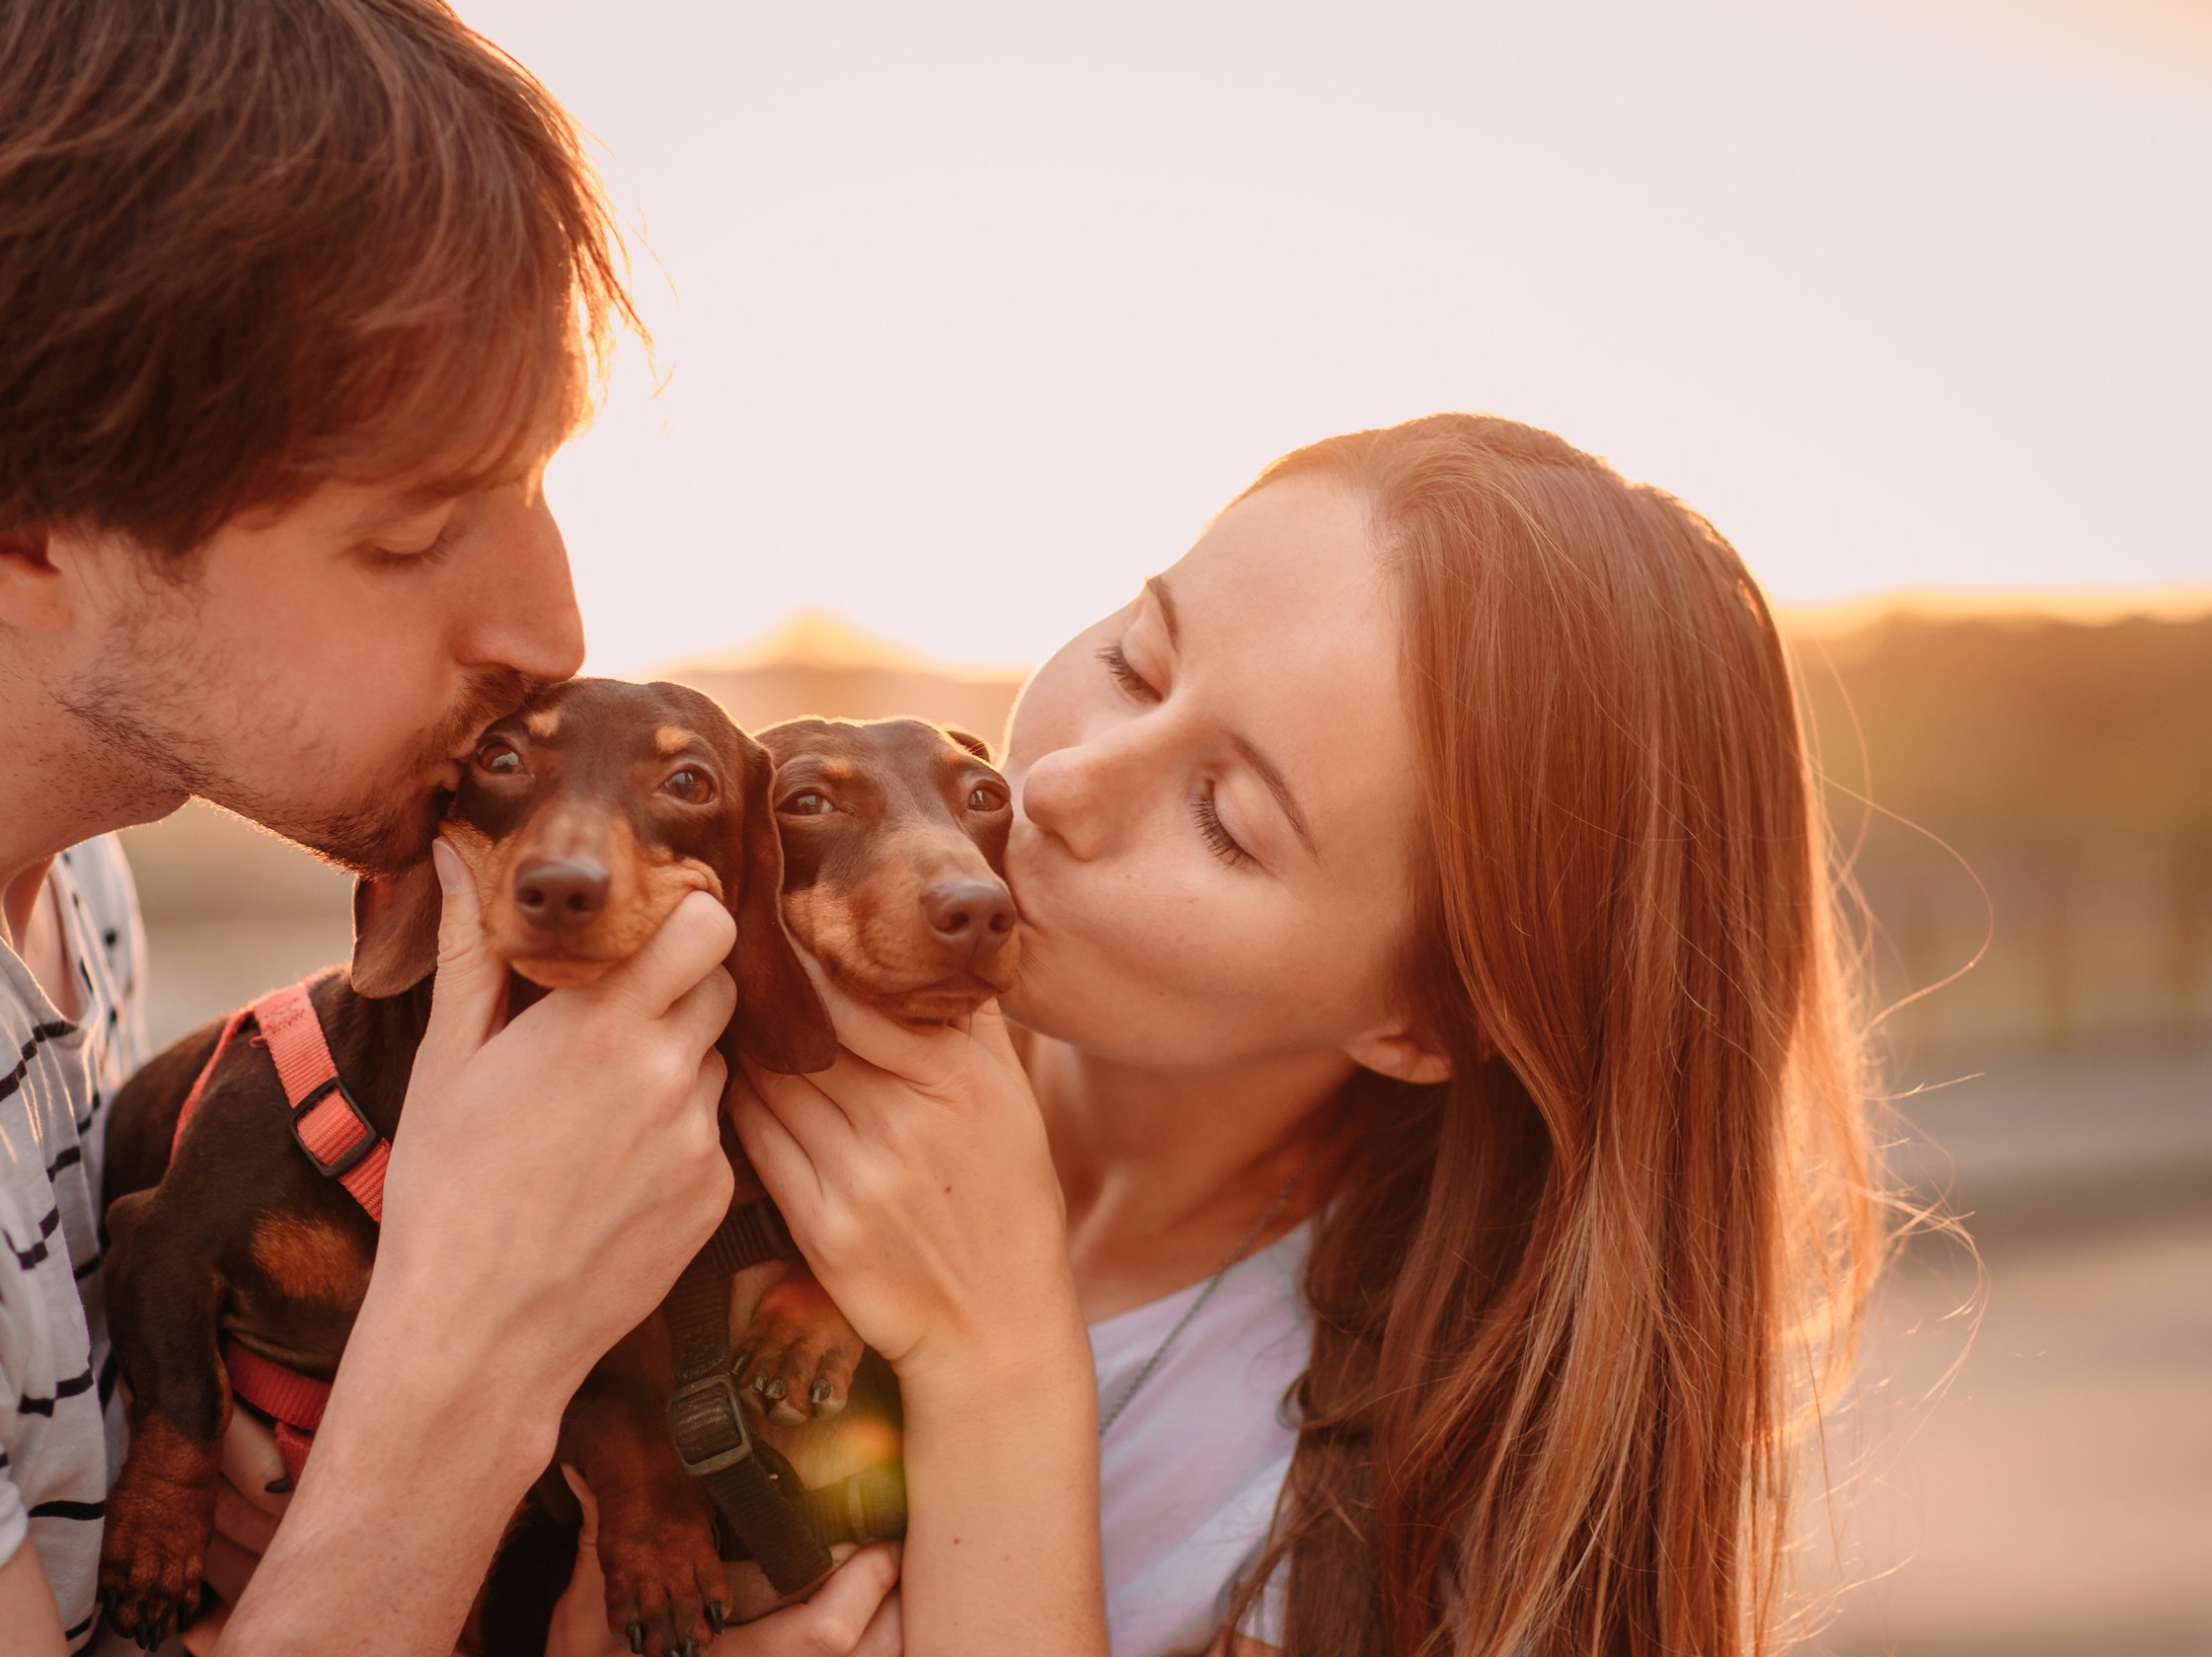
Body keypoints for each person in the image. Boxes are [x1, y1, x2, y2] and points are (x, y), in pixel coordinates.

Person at [0, 0, 904, 1653]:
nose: (549, 629)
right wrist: (475, 1338)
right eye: (413, 535)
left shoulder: (43, 857)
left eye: (536, 476)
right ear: (32, 535)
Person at [719, 414, 1886, 1655]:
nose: (1057, 786)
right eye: (1134, 660)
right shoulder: (684, 1043)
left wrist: (996, 1363)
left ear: (1424, 1020)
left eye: (1223, 816)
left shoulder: (1386, 1530)